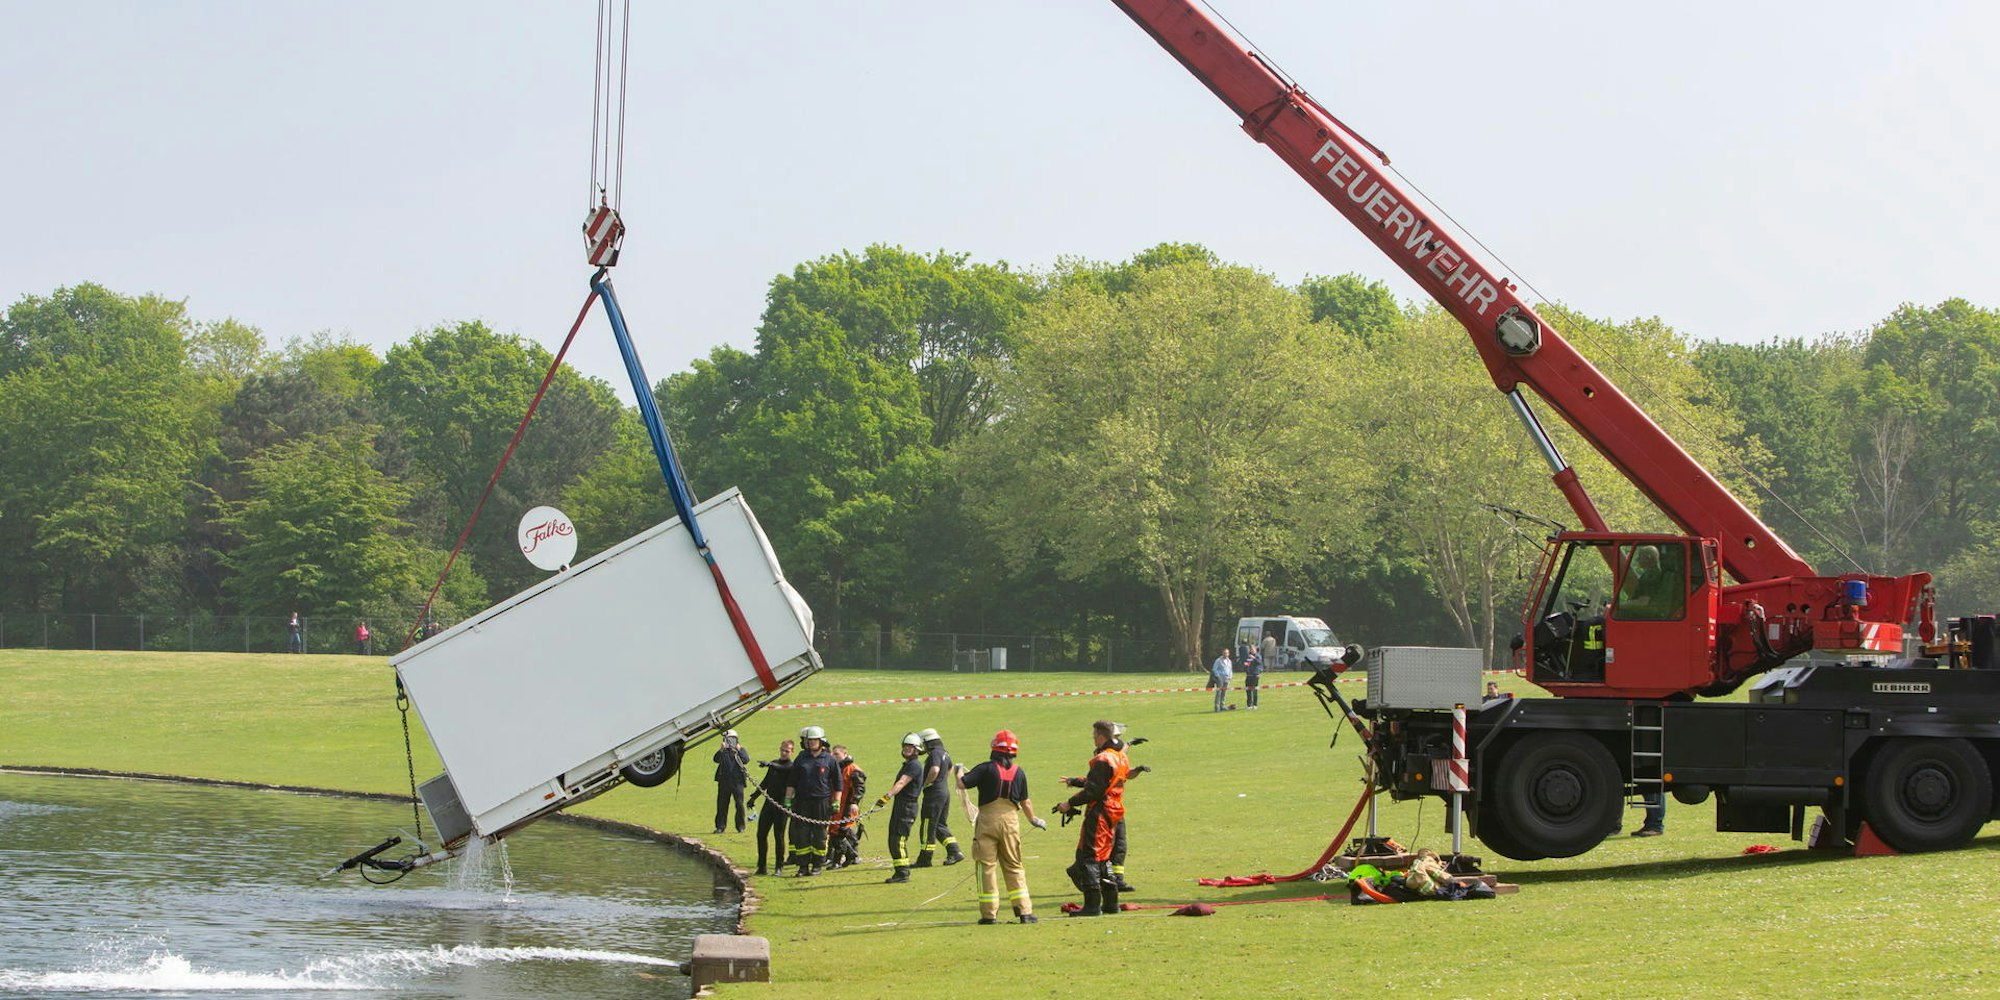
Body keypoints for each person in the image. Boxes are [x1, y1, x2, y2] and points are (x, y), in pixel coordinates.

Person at [959, 729, 1046, 924]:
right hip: (1011, 822)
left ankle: (989, 914)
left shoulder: (985, 769)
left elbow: (962, 784)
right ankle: (1025, 911)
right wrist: (1034, 820)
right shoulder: (1019, 772)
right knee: (1014, 866)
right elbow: (1026, 802)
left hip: (987, 822)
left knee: (986, 867)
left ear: (994, 748)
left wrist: (957, 771)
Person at [1051, 719, 1129, 917]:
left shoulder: (1103, 759)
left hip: (1101, 811)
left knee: (1090, 856)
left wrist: (1069, 803)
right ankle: (1111, 903)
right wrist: (1076, 781)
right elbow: (1103, 782)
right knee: (1104, 856)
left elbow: (1094, 790)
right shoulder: (1120, 757)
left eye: (1095, 736)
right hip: (1114, 810)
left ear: (1101, 737)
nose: (1093, 740)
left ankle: (1092, 905)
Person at [785, 725, 841, 875]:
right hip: (802, 802)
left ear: (821, 741)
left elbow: (838, 784)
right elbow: (792, 781)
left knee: (820, 836)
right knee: (801, 835)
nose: (811, 743)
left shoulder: (830, 760)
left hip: (822, 803)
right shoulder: (801, 758)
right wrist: (788, 799)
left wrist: (836, 802)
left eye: (814, 740)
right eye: (809, 740)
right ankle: (803, 867)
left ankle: (817, 865)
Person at [875, 732, 926, 883]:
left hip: (907, 806)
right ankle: (900, 872)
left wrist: (886, 796)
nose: (906, 749)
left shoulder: (914, 765)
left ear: (917, 749)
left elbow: (902, 782)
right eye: (905, 746)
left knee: (899, 840)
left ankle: (903, 873)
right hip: (901, 805)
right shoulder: (909, 764)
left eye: (910, 747)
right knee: (893, 839)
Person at [916, 727, 964, 867]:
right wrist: (942, 781)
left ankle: (925, 859)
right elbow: (949, 768)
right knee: (939, 825)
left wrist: (926, 783)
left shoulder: (934, 754)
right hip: (944, 792)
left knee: (927, 826)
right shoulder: (944, 753)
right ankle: (954, 851)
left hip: (934, 794)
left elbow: (935, 769)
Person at [746, 739, 794, 875]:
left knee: (779, 836)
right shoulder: (775, 763)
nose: (784, 753)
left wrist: (769, 765)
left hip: (782, 805)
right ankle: (762, 866)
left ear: (792, 752)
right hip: (769, 803)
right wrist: (754, 797)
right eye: (782, 750)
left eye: (787, 751)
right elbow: (766, 782)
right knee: (761, 834)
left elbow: (783, 769)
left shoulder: (791, 766)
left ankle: (779, 866)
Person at [826, 744, 866, 869]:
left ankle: (847, 856)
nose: (833, 756)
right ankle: (847, 856)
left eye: (836, 754)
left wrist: (854, 802)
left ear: (844, 754)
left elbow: (859, 788)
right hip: (838, 805)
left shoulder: (853, 769)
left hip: (846, 807)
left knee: (837, 832)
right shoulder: (838, 768)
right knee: (837, 831)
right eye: (833, 753)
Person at [712, 729, 750, 835]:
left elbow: (746, 759)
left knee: (739, 804)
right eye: (728, 740)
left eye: (732, 740)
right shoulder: (723, 752)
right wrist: (721, 749)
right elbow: (715, 759)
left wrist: (740, 750)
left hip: (738, 782)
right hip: (724, 781)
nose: (730, 742)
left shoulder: (739, 751)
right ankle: (720, 826)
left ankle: (740, 826)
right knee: (722, 805)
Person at [1209, 648, 1233, 713]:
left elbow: (1230, 669)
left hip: (1227, 679)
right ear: (1222, 653)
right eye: (1225, 653)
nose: (1226, 654)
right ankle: (1217, 707)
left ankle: (1222, 706)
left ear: (1228, 654)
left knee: (1224, 693)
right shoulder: (1218, 660)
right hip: (1220, 679)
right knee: (1219, 693)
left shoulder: (1229, 661)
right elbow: (1214, 669)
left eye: (1227, 653)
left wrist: (1230, 676)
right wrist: (1218, 676)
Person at [1242, 644, 1263, 709]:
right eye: (1250, 649)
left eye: (1252, 649)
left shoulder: (1258, 656)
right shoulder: (1248, 656)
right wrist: (1245, 665)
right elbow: (1246, 663)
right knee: (1248, 690)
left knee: (1254, 690)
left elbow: (1259, 663)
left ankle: (1255, 704)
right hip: (1248, 675)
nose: (1251, 650)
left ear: (1255, 649)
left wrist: (1254, 658)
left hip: (1255, 675)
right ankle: (1249, 705)